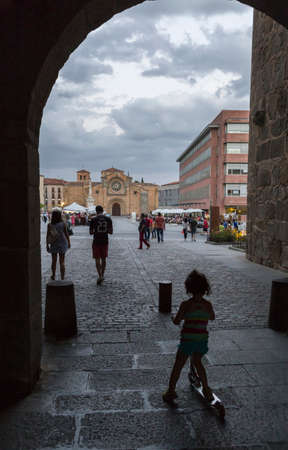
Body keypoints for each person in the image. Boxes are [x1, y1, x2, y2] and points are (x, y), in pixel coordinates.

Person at [162, 270, 215, 403]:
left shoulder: (186, 305)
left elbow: (177, 321)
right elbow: (212, 317)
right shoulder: (208, 305)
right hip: (201, 340)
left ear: (189, 289)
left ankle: (171, 391)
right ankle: (207, 389)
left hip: (187, 341)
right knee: (198, 362)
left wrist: (175, 317)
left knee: (178, 365)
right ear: (205, 289)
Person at [89, 205, 113, 285]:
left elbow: (91, 232)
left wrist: (96, 230)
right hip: (105, 241)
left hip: (96, 241)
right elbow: (111, 232)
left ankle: (99, 275)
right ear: (103, 211)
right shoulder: (108, 219)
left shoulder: (93, 219)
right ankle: (102, 274)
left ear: (96, 211)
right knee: (103, 259)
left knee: (97, 259)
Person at [46, 209, 71, 280]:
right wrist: (69, 242)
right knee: (62, 261)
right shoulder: (63, 224)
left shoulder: (50, 225)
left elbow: (48, 235)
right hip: (62, 243)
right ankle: (62, 277)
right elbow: (66, 234)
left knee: (53, 261)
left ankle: (53, 275)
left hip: (54, 243)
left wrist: (47, 245)